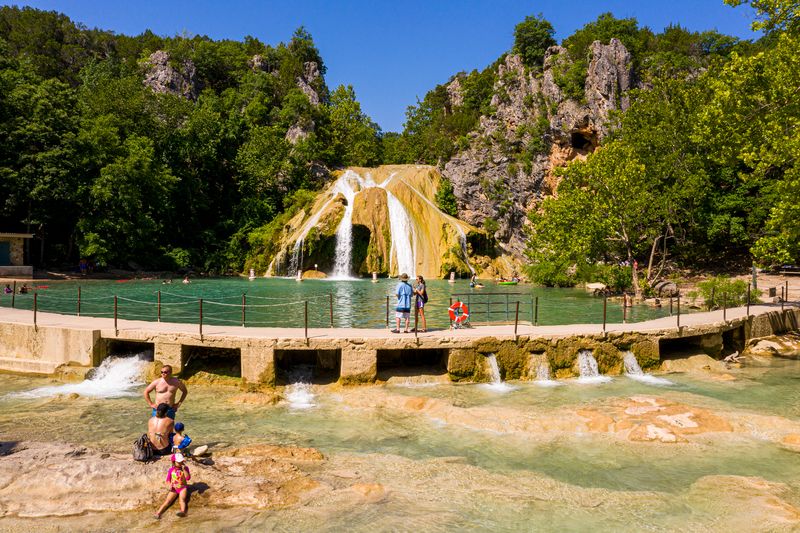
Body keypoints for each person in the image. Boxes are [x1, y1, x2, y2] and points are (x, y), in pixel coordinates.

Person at [154, 452, 191, 519]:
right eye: (179, 462)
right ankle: (158, 513)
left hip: (183, 487)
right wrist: (170, 484)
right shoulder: (171, 470)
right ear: (174, 462)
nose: (181, 463)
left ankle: (183, 512)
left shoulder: (186, 468)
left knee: (182, 500)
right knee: (167, 501)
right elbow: (168, 480)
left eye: (181, 461)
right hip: (174, 488)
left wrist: (184, 470)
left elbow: (187, 478)